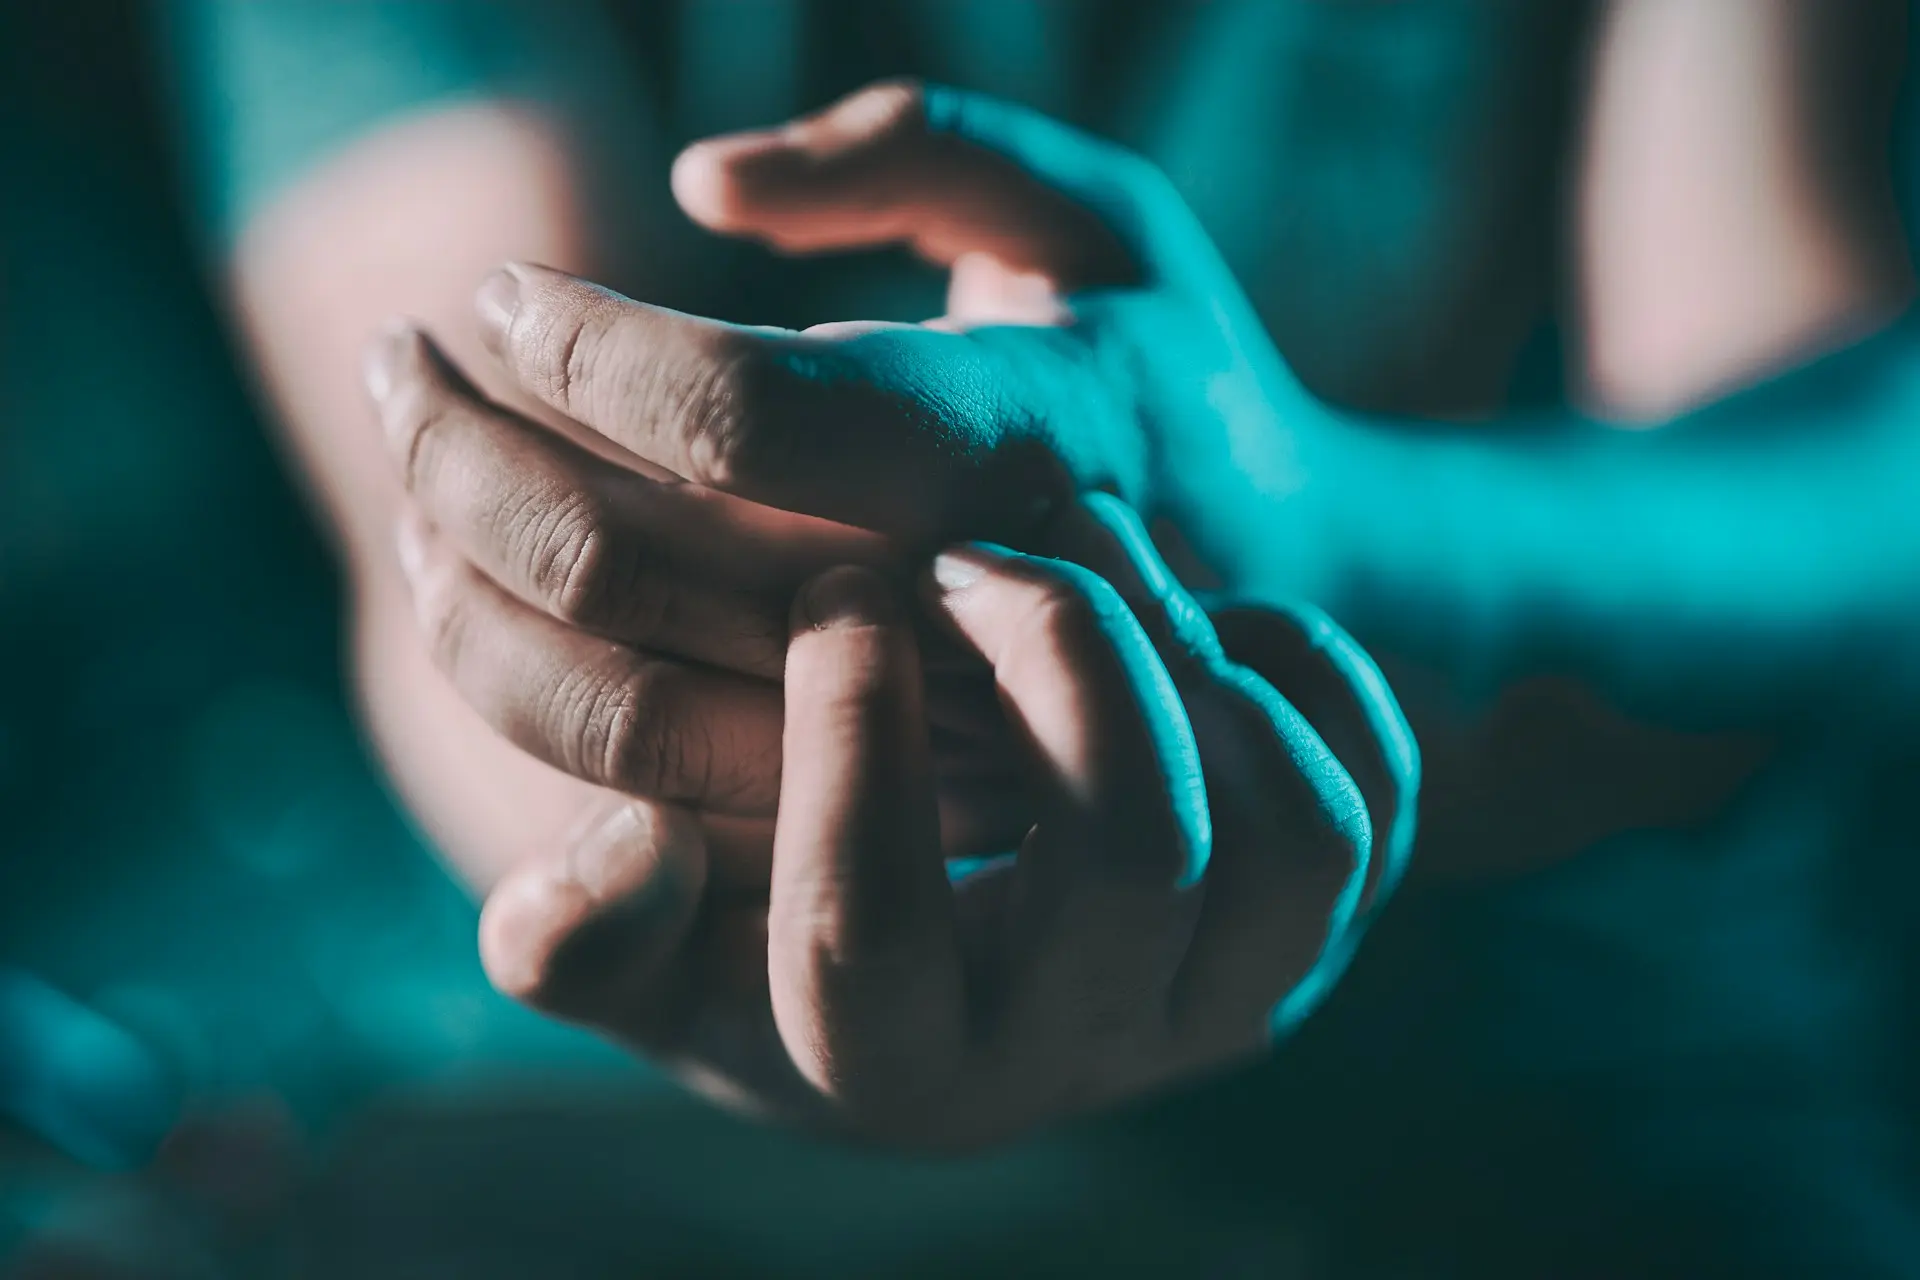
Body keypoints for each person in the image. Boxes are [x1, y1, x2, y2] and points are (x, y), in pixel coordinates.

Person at [152, 0, 1920, 1274]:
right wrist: (706, 864)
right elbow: (457, 473)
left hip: (1565, 1041)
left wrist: (1332, 554)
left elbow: (1842, 479)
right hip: (623, 1121)